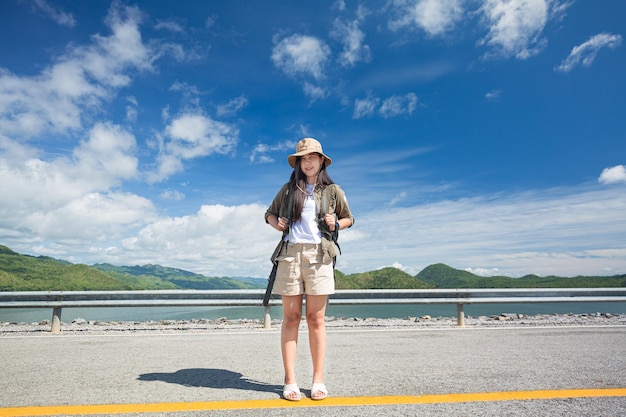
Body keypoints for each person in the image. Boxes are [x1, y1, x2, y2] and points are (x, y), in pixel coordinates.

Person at [265, 137, 354, 401]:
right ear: (298, 163)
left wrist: (336, 223)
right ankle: (290, 380)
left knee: (316, 319)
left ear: (321, 161)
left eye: (312, 157)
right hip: (290, 255)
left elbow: (349, 218)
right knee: (291, 319)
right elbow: (269, 213)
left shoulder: (333, 190)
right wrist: (276, 223)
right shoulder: (288, 189)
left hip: (320, 256)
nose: (308, 161)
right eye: (303, 158)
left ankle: (318, 380)